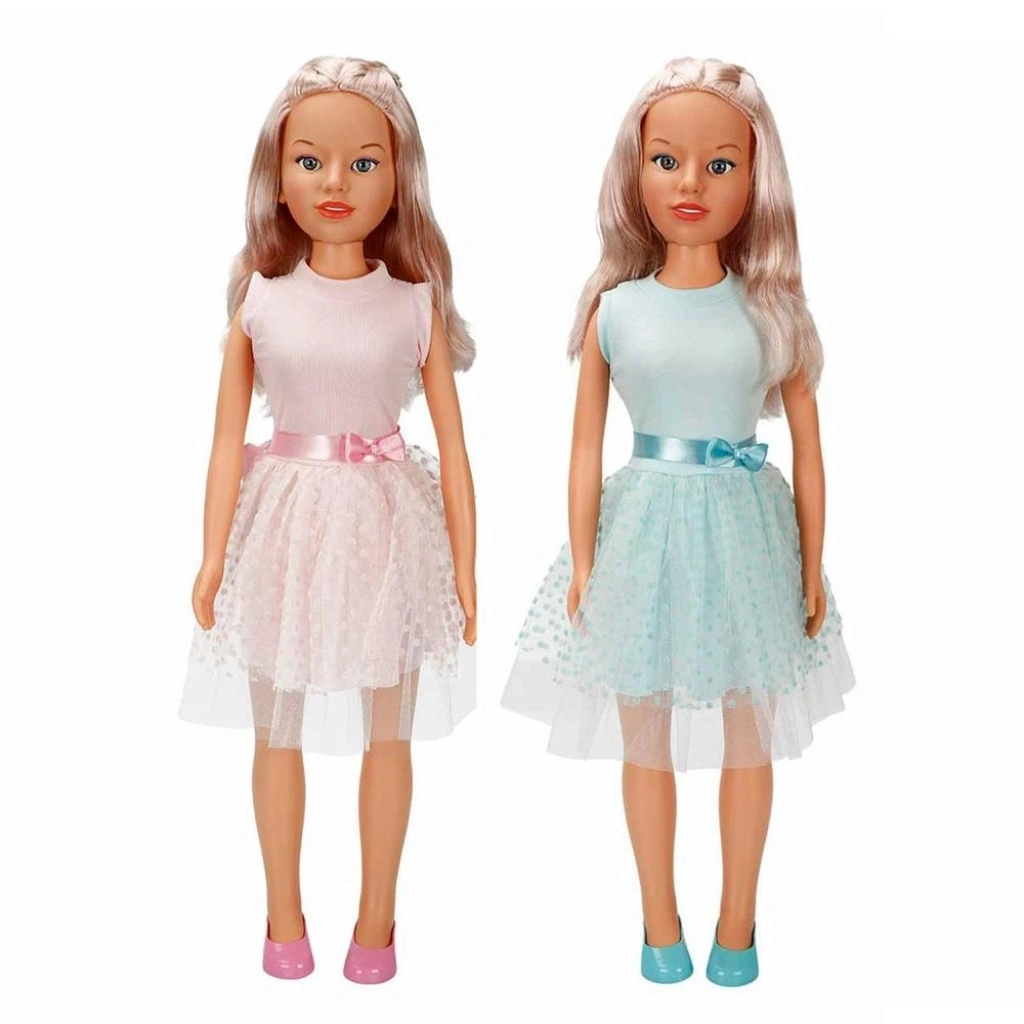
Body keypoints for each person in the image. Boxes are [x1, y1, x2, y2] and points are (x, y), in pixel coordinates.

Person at [501, 56, 855, 986]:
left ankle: (738, 923)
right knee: (644, 732)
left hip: (746, 534)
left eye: (719, 164)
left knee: (749, 733)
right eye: (666, 160)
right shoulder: (614, 309)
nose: (690, 182)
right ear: (636, 171)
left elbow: (810, 450)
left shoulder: (773, 308)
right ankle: (658, 922)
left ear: (756, 177)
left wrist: (811, 566)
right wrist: (585, 559)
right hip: (643, 532)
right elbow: (584, 446)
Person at [180, 55, 477, 983]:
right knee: (278, 728)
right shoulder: (260, 297)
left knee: (389, 732)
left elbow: (454, 446)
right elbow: (226, 436)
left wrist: (467, 570)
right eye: (309, 161)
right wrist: (211, 555)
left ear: (398, 176)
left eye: (363, 161)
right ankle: (283, 919)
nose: (335, 181)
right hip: (283, 519)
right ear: (278, 177)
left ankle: (376, 924)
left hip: (390, 523)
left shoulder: (415, 303)